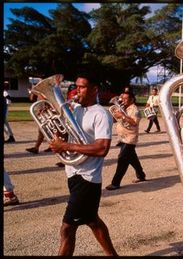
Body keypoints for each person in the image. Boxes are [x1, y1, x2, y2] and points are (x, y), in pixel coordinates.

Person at [48, 71, 118, 256]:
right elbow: (64, 137)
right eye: (76, 86)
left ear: (94, 89)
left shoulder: (101, 114)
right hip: (73, 173)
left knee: (67, 228)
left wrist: (66, 145)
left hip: (88, 177)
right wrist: (56, 128)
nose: (76, 90)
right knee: (92, 220)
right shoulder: (74, 109)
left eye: (81, 87)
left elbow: (102, 148)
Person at [106, 91, 146, 190]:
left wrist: (123, 116)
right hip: (123, 138)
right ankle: (141, 175)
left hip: (130, 138)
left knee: (122, 159)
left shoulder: (135, 110)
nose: (122, 100)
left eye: (125, 98)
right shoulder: (124, 108)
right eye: (121, 98)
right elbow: (116, 120)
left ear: (132, 99)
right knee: (132, 158)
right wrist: (116, 114)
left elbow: (134, 123)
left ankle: (115, 183)